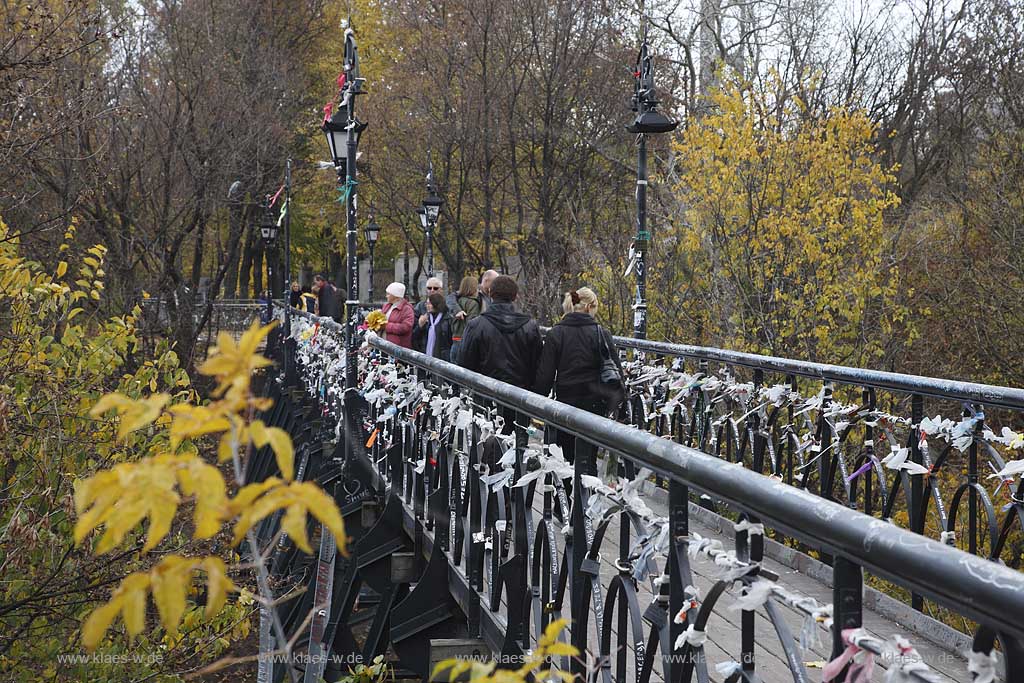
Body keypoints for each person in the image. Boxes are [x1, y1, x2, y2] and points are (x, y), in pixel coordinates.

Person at [534, 287, 623, 462]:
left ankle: (568, 486)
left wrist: (535, 402)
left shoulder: (556, 333)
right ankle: (586, 484)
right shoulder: (601, 333)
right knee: (588, 456)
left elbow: (545, 376)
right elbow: (616, 371)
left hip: (566, 401)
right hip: (595, 402)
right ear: (590, 307)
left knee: (566, 456)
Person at [459, 275, 541, 390]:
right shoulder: (530, 326)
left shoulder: (476, 325)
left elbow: (464, 363)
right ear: (515, 296)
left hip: (485, 395)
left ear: (490, 293)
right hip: (521, 396)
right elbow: (537, 364)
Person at [449, 276, 482, 365]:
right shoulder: (473, 303)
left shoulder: (456, 302)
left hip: (454, 341)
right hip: (465, 344)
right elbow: (472, 326)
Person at [412, 292, 454, 361]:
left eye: (430, 304)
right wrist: (419, 326)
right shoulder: (425, 318)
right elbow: (414, 338)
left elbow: (449, 341)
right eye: (427, 303)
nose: (427, 306)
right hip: (424, 357)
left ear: (436, 304)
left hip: (442, 358)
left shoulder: (447, 319)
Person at [380, 282, 414, 348]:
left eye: (388, 294)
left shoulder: (407, 309)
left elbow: (405, 327)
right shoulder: (386, 306)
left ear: (395, 296)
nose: (386, 296)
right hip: (383, 344)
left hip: (397, 347)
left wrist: (386, 326)